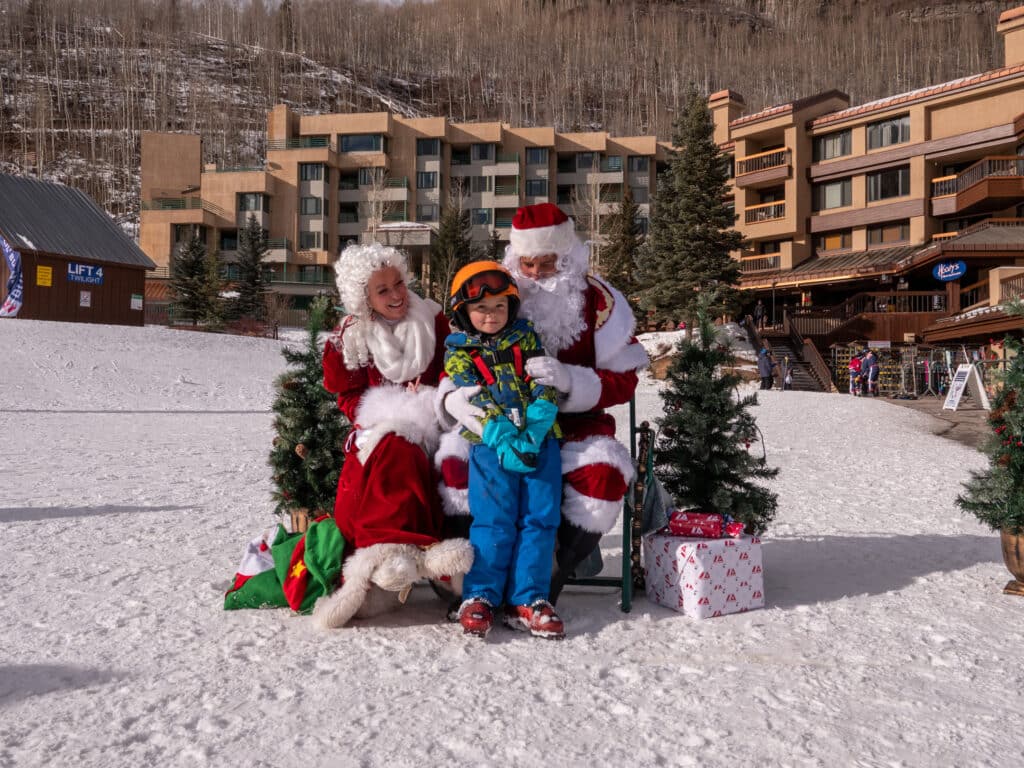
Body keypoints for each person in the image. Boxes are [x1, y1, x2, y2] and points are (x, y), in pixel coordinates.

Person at [436, 202, 649, 604]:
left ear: (568, 258)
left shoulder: (600, 304)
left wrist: (572, 382)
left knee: (603, 477)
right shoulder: (494, 290)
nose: (534, 275)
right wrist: (453, 401)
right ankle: (470, 579)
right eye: (527, 264)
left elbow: (626, 380)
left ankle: (546, 575)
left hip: (575, 427)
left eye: (547, 264)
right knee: (454, 466)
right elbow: (456, 357)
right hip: (494, 422)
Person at [312, 243, 473, 629]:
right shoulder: (351, 336)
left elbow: (458, 370)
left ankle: (392, 559)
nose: (397, 295)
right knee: (388, 452)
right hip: (375, 432)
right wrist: (375, 417)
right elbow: (347, 394)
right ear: (364, 298)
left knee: (406, 452)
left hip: (436, 424)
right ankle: (397, 560)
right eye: (383, 290)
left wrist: (434, 398)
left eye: (398, 283)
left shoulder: (433, 320)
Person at [444, 261, 564, 639]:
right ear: (463, 312)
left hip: (539, 443)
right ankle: (480, 594)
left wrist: (537, 425)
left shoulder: (527, 339)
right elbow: (473, 398)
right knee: (493, 520)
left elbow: (544, 382)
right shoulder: (458, 352)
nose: (491, 315)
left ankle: (530, 598)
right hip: (491, 448)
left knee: (540, 519)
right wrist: (503, 437)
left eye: (499, 306)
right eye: (481, 308)